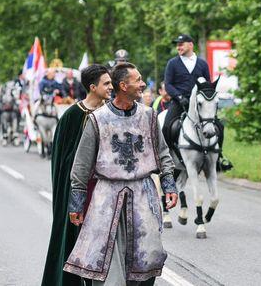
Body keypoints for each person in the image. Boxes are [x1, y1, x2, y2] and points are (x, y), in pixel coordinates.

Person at [63, 62, 178, 284]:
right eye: (138, 80)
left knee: (141, 265)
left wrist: (169, 185)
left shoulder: (149, 116)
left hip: (143, 198)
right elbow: (82, 164)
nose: (143, 84)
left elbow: (163, 154)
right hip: (106, 200)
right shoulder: (98, 119)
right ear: (123, 86)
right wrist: (76, 202)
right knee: (106, 265)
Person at [41, 65, 112, 286]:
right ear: (93, 87)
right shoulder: (72, 116)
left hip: (107, 190)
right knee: (75, 241)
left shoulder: (111, 112)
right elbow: (63, 162)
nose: (111, 87)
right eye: (106, 83)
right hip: (81, 191)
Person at [163, 33, 232, 171]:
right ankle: (165, 158)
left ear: (190, 45)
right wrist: (178, 96)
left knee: (219, 126)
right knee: (166, 126)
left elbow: (208, 84)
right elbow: (168, 84)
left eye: (181, 44)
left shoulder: (202, 64)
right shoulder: (172, 63)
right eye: (177, 44)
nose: (178, 47)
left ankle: (219, 158)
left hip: (200, 104)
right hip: (179, 102)